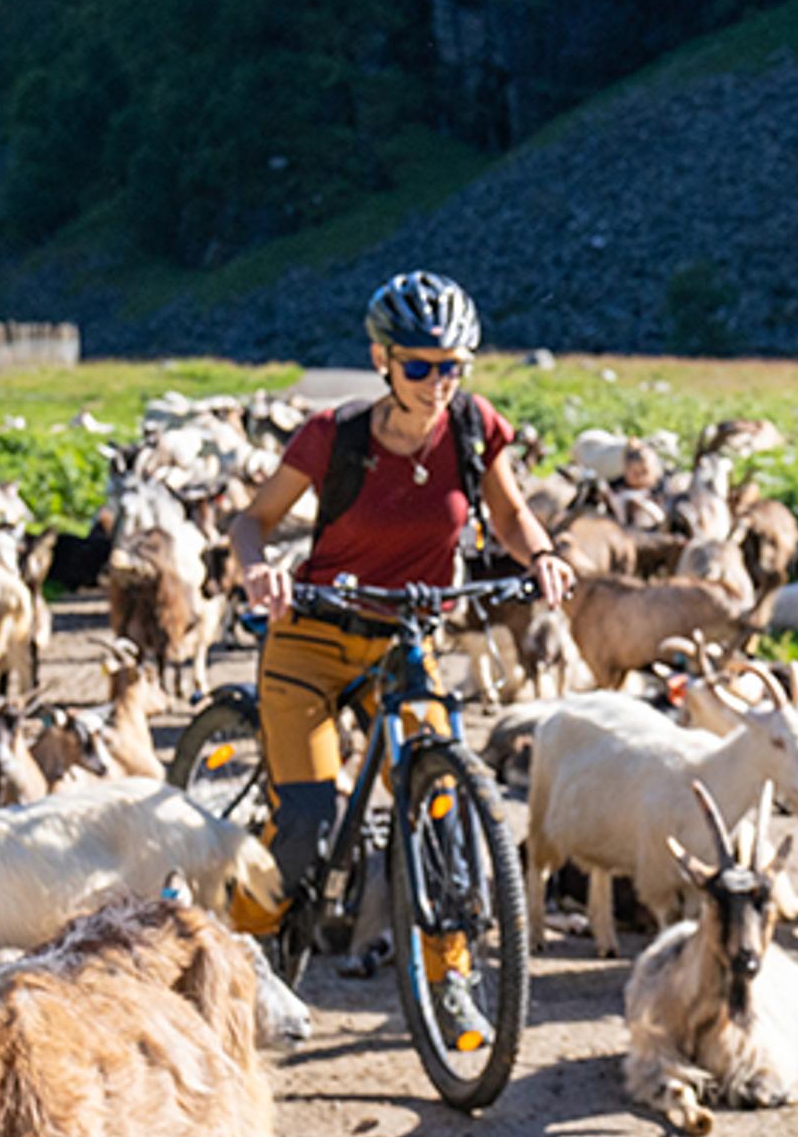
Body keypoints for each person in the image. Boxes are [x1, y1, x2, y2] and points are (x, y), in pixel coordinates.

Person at [229, 271, 574, 1023]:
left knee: (442, 806)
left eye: (452, 365)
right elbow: (252, 521)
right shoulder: (333, 437)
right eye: (419, 365)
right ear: (383, 359)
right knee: (308, 823)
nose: (438, 381)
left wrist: (540, 555)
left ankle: (451, 982)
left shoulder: (476, 429)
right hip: (311, 638)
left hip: (405, 641)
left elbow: (511, 515)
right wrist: (258, 571)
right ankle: (236, 948)